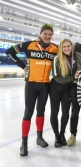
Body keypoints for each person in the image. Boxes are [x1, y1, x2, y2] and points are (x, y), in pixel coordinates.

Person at [5, 24, 58, 156]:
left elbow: (67, 55)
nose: (47, 36)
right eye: (45, 33)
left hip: (45, 84)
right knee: (28, 113)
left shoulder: (55, 49)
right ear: (40, 34)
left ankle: (39, 138)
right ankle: (24, 143)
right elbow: (9, 52)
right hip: (31, 84)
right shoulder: (29, 45)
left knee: (41, 112)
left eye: (50, 34)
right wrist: (22, 66)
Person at [49, 39, 76, 148]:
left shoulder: (73, 59)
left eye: (68, 46)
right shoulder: (57, 59)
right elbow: (57, 76)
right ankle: (56, 136)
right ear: (61, 48)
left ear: (71, 46)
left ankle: (62, 134)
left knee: (65, 112)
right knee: (54, 112)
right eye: (64, 46)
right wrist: (72, 78)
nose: (66, 48)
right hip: (55, 88)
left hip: (67, 89)